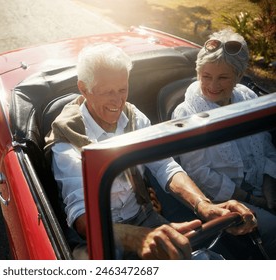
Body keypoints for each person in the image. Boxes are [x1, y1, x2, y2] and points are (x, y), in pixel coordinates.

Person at [44, 42, 257, 260]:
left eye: (122, 89)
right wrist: (141, 238)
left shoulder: (135, 117)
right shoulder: (67, 136)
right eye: (108, 92)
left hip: (144, 217)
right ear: (83, 88)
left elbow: (165, 165)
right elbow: (82, 216)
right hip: (94, 238)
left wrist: (203, 205)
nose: (118, 101)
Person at [172, 28, 276, 258]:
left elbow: (266, 145)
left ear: (238, 77)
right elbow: (199, 173)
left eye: (223, 77)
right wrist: (253, 199)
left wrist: (269, 190)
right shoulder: (186, 112)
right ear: (197, 73)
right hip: (228, 202)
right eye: (206, 76)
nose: (212, 85)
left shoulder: (247, 97)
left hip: (264, 187)